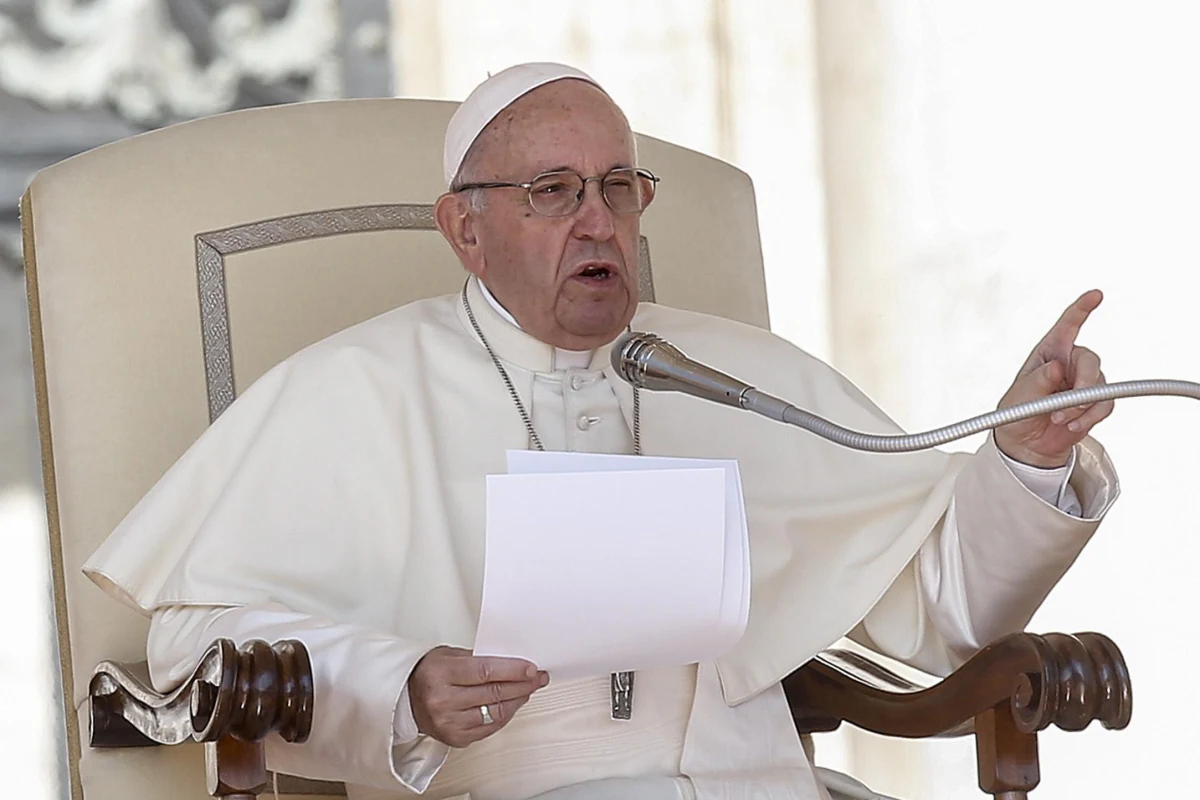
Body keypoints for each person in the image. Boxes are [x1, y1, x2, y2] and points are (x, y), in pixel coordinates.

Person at [83, 63, 1119, 800]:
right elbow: (190, 638)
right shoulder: (353, 388)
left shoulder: (737, 373)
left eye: (618, 189)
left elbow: (943, 608)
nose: (597, 220)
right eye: (553, 192)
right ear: (464, 229)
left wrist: (1024, 460)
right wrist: (401, 684)